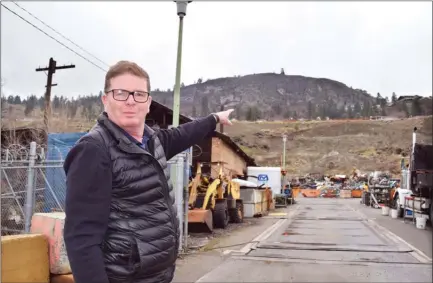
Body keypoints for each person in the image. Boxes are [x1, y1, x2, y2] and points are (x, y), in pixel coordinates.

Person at [63, 60, 233, 283]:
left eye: (139, 94)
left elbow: (184, 133)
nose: (131, 101)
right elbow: (82, 238)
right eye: (121, 93)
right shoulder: (94, 150)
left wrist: (214, 119)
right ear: (105, 100)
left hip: (157, 274)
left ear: (148, 102)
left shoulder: (152, 141)